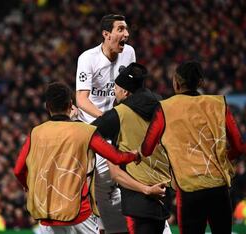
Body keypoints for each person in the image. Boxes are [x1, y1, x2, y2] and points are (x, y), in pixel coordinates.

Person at [13, 82, 140, 234]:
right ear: (70, 104)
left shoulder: (35, 133)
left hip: (47, 216)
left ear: (47, 107)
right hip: (80, 215)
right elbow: (116, 157)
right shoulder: (85, 131)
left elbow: (18, 170)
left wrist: (27, 185)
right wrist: (135, 154)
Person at [140, 61, 244, 234]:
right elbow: (239, 147)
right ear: (201, 83)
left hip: (189, 189)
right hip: (218, 187)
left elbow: (146, 149)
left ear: (176, 82)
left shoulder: (165, 108)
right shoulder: (218, 104)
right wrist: (219, 159)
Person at [92, 62, 172, 234]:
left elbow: (88, 134)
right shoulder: (164, 106)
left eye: (116, 87)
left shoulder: (119, 114)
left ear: (125, 92)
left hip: (137, 196)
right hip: (164, 191)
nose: (113, 91)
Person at [76, 14, 136, 233]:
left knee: (127, 175)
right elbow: (81, 99)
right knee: (104, 183)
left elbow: (132, 89)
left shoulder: (129, 53)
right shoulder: (87, 58)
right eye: (120, 29)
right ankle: (106, 226)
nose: (126, 35)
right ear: (106, 34)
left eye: (126, 29)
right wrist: (106, 118)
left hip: (119, 125)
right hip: (95, 128)